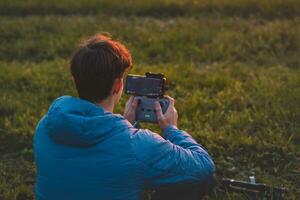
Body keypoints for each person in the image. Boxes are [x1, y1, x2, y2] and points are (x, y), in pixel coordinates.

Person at [33, 34, 215, 200]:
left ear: (75, 80)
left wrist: (124, 124)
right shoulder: (139, 144)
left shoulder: (45, 126)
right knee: (196, 180)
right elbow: (204, 167)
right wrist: (171, 129)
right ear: (118, 86)